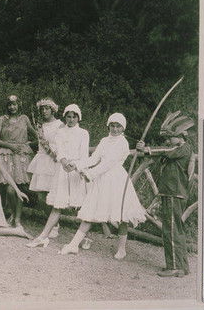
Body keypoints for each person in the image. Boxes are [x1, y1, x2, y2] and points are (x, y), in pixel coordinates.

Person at [59, 113, 146, 259]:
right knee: (90, 210)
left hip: (117, 179)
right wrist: (77, 164)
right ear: (108, 126)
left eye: (118, 126)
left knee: (121, 215)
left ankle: (122, 248)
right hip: (102, 179)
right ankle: (73, 245)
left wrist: (90, 174)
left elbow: (109, 163)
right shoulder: (104, 140)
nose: (115, 129)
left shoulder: (123, 143)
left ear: (123, 128)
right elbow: (94, 158)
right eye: (112, 125)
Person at [137, 111, 194, 277]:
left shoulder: (182, 148)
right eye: (167, 138)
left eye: (170, 137)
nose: (167, 141)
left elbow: (165, 150)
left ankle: (174, 267)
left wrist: (146, 149)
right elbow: (165, 151)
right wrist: (146, 150)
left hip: (173, 194)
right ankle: (183, 267)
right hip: (173, 194)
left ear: (181, 136)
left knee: (171, 230)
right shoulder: (179, 148)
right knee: (175, 229)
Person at [27, 104, 89, 248]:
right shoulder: (60, 132)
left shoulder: (83, 133)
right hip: (63, 169)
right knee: (57, 205)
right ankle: (43, 236)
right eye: (69, 116)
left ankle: (84, 237)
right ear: (65, 117)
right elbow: (59, 151)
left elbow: (84, 155)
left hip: (77, 170)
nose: (71, 119)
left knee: (82, 206)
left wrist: (76, 166)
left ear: (78, 118)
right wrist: (64, 161)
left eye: (74, 117)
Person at [0, 94, 37, 227]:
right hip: (6, 155)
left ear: (19, 105)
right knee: (9, 190)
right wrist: (10, 145)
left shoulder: (24, 119)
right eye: (10, 105)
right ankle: (12, 213)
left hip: (22, 156)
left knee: (21, 187)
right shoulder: (2, 119)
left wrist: (27, 144)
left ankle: (17, 219)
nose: (13, 107)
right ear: (7, 106)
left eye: (15, 104)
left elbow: (37, 137)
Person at [27, 98, 63, 238]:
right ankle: (53, 223)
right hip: (42, 160)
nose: (44, 111)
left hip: (54, 160)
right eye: (42, 109)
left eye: (47, 108)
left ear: (52, 110)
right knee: (41, 196)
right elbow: (41, 141)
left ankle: (55, 225)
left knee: (52, 194)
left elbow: (62, 142)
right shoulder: (40, 125)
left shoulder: (60, 125)